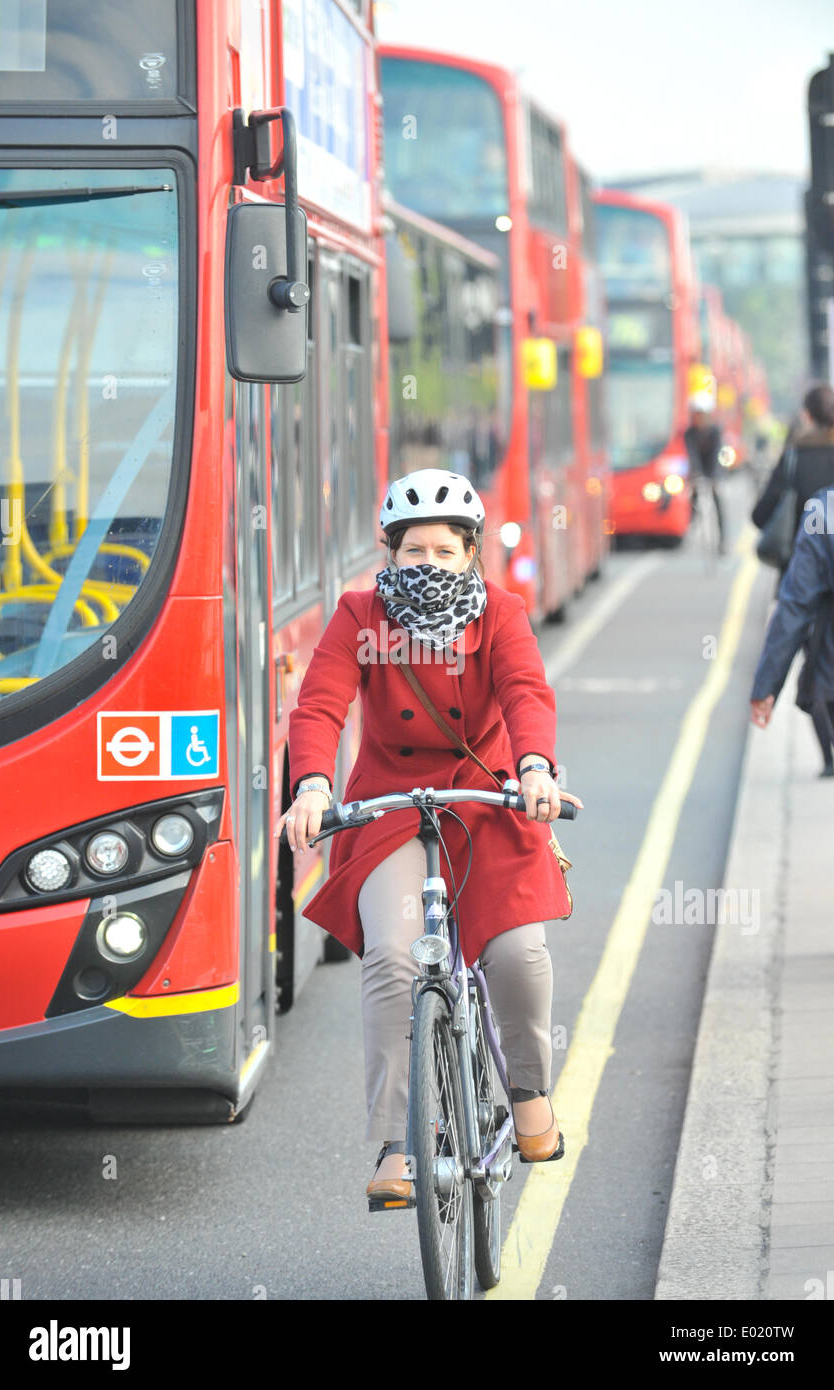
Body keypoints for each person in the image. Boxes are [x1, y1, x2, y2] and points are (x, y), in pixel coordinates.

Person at [272, 469, 583, 1201]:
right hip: (388, 805)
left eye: (445, 550)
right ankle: (396, 1144)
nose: (429, 564)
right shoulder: (358, 615)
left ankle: (529, 1093)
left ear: (469, 553)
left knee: (518, 953)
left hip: (486, 796)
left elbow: (525, 691)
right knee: (392, 956)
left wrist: (535, 768)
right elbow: (318, 707)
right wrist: (312, 785)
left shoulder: (499, 613)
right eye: (414, 550)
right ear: (390, 553)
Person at [752, 384, 834, 776]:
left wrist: (766, 684)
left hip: (822, 606)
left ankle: (825, 758)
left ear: (806, 416)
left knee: (820, 668)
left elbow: (794, 607)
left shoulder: (803, 474)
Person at [684, 394, 726, 553]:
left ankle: (722, 540)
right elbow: (692, 455)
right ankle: (691, 526)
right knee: (692, 497)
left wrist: (715, 478)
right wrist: (695, 476)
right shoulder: (690, 433)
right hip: (698, 472)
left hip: (714, 471)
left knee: (719, 501)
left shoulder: (715, 431)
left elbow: (717, 455)